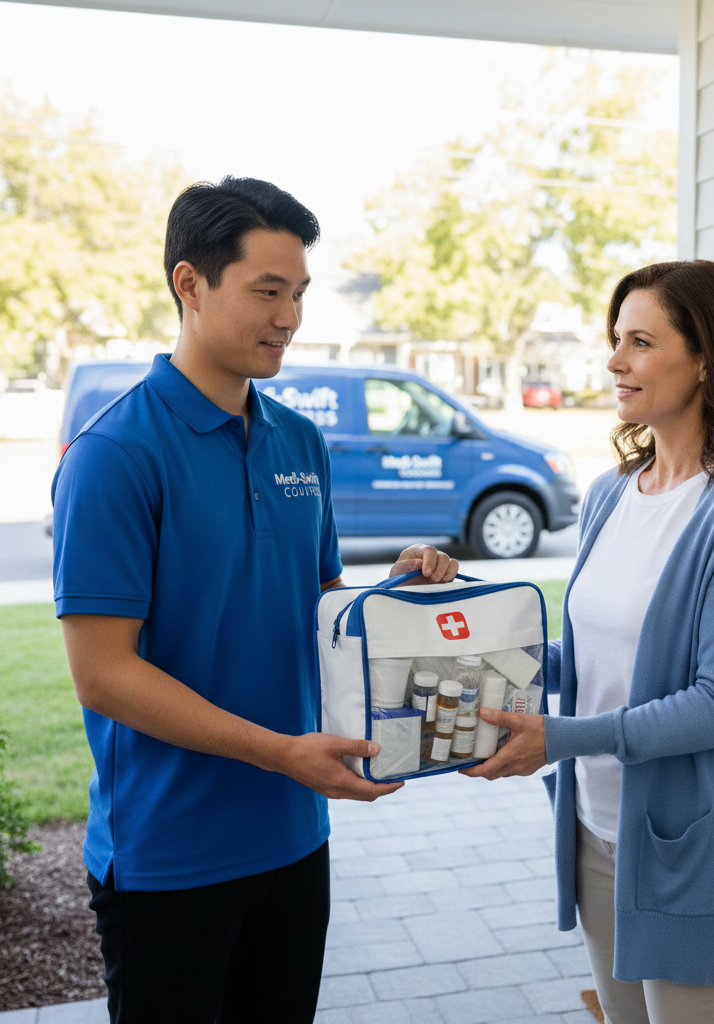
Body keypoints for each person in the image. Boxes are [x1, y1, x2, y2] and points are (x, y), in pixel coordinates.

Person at [51, 176, 459, 1024]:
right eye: (267, 292)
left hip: (294, 836)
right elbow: (104, 676)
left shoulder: (299, 439)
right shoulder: (114, 455)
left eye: (300, 293)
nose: (289, 317)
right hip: (170, 856)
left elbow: (313, 605)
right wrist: (279, 752)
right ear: (189, 284)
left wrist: (389, 597)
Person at [463, 260, 714, 1024]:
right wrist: (458, 632)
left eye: (640, 342)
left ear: (706, 357)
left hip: (692, 849)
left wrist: (561, 738)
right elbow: (583, 654)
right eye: (616, 340)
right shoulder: (614, 492)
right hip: (592, 829)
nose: (614, 361)